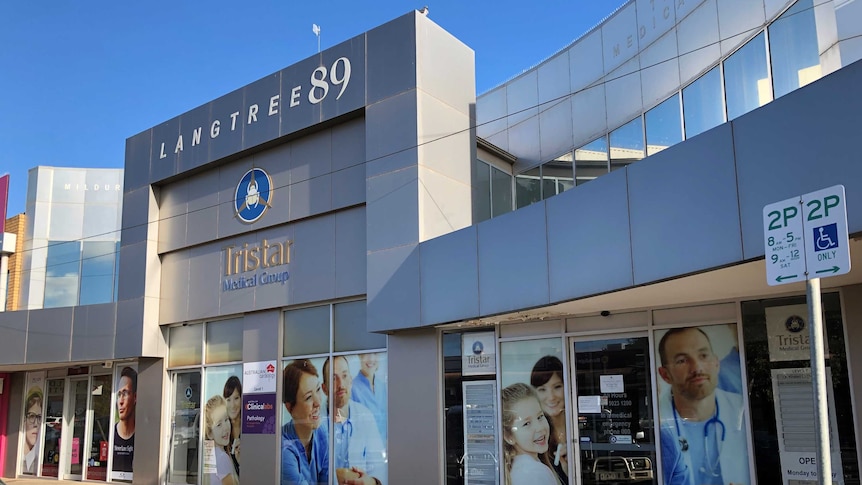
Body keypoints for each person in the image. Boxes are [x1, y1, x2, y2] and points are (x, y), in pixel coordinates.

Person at [657, 327, 749, 485]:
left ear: (717, 363)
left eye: (703, 355)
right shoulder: (657, 421)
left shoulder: (744, 410)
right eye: (682, 360)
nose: (697, 368)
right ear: (665, 375)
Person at [323, 356, 387, 485]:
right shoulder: (314, 421)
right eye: (333, 378)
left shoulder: (365, 415)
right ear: (324, 389)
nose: (340, 384)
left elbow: (380, 468)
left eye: (345, 376)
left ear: (351, 381)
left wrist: (371, 481)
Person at [501, 383, 560, 485]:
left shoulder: (515, 468)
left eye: (540, 416)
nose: (540, 428)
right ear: (508, 436)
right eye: (526, 423)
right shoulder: (536, 472)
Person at [282, 359, 329, 485]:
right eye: (308, 397)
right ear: (290, 408)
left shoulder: (321, 433)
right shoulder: (284, 450)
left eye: (318, 389)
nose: (318, 402)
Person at [531, 356, 567, 483]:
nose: (551, 397)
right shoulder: (533, 437)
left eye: (557, 387)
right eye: (542, 389)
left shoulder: (580, 429)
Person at [351, 352, 387, 441]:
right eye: (366, 354)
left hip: (386, 450)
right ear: (360, 356)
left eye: (375, 353)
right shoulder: (352, 388)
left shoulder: (383, 387)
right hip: (363, 450)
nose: (371, 359)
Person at [204, 395, 239, 485]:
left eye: (226, 419)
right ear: (210, 433)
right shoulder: (222, 458)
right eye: (219, 424)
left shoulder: (210, 455)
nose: (226, 428)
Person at [113, 366, 137, 480]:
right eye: (119, 395)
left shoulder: (141, 436)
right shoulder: (111, 434)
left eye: (125, 393)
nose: (121, 401)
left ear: (135, 397)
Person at [223, 376, 242, 474]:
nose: (232, 405)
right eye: (228, 400)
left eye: (236, 398)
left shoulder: (249, 428)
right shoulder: (221, 430)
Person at [22, 388, 43, 474]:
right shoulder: (16, 457)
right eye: (31, 416)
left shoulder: (38, 458)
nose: (35, 424)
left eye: (39, 417)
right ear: (24, 420)